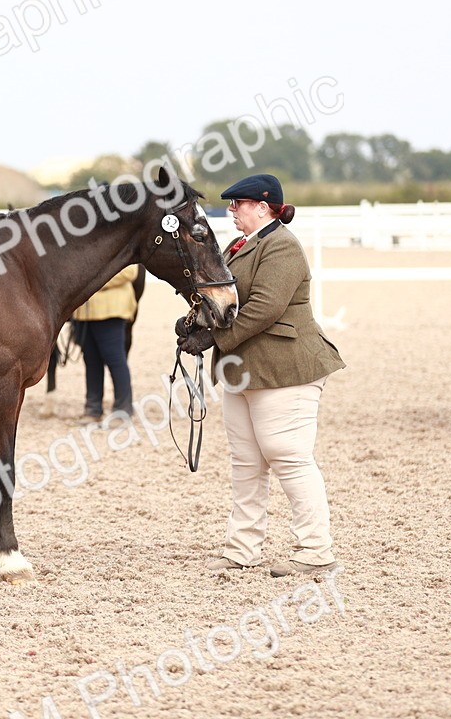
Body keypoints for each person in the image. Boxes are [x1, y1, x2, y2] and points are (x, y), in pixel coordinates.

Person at [176, 173, 345, 577]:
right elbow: (228, 300)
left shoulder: (282, 246)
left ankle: (316, 549)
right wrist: (197, 324)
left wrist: (217, 338)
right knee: (246, 462)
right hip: (245, 371)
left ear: (263, 207)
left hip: (286, 366)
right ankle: (243, 548)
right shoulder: (241, 247)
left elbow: (265, 307)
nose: (232, 210)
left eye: (239, 204)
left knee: (289, 456)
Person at [71, 265, 139, 424]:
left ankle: (123, 409)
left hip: (111, 310)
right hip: (85, 312)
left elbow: (130, 272)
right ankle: (93, 408)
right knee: (91, 361)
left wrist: (91, 280)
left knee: (115, 359)